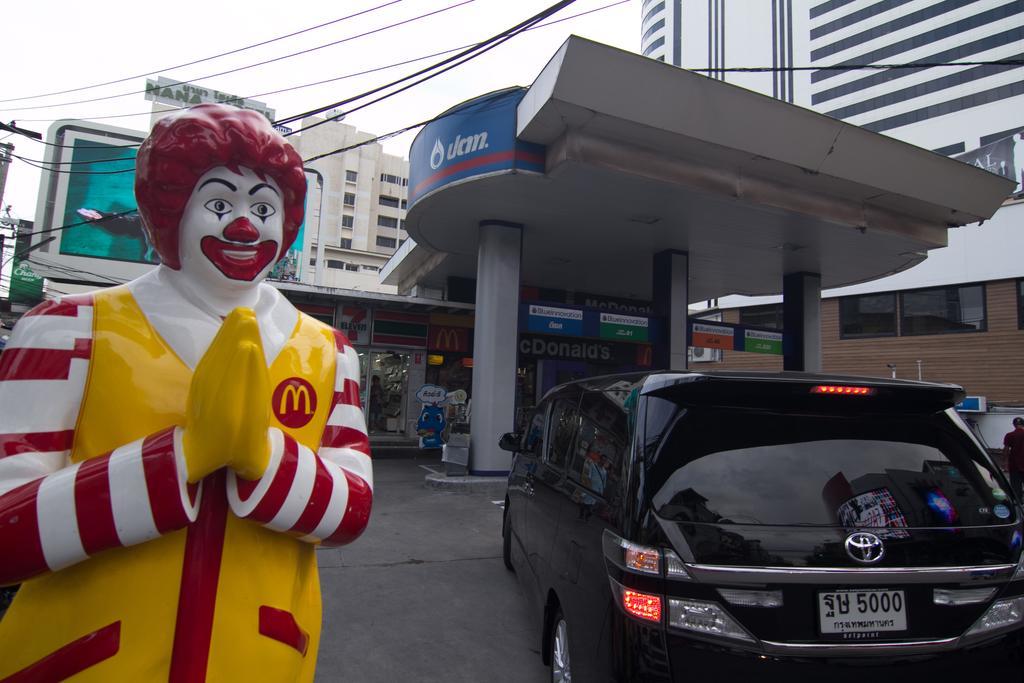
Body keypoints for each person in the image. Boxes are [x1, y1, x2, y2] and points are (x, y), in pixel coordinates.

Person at [0, 104, 372, 681]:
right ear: (170, 210)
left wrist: (262, 459)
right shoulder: (67, 329)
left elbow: (353, 509)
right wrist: (178, 459)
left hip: (263, 661)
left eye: (264, 208)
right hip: (85, 661)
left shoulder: (329, 351)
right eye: (220, 204)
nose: (244, 227)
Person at [1004, 417, 1024, 498]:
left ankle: (1019, 505)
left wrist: (1004, 463)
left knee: (1016, 488)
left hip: (1014, 466)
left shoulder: (1009, 435)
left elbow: (1006, 449)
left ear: (1014, 425)